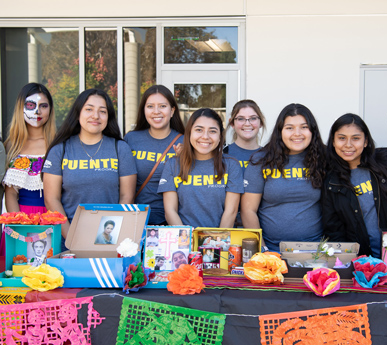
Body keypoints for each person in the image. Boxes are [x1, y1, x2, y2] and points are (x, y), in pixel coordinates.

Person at [321, 113, 387, 257]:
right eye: (342, 138)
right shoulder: (331, 180)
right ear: (333, 142)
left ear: (366, 141)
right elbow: (334, 231)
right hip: (360, 262)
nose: (348, 145)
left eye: (355, 138)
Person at [43, 89, 137, 240]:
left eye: (102, 111)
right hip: (67, 237)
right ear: (78, 113)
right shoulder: (60, 150)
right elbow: (51, 199)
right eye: (89, 109)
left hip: (109, 237)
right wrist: (71, 238)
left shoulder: (120, 148)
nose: (96, 116)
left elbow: (127, 196)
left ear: (108, 117)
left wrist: (110, 236)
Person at [241, 103, 327, 252]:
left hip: (316, 251)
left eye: (304, 127)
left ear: (312, 130)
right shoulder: (261, 161)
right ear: (280, 131)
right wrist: (263, 250)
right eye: (289, 128)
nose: (297, 133)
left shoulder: (324, 159)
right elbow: (248, 210)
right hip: (272, 250)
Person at [158, 108, 243, 228]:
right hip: (184, 242)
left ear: (220, 137)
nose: (205, 136)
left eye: (212, 131)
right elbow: (170, 211)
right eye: (199, 130)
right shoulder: (173, 165)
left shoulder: (231, 165)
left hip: (219, 242)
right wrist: (187, 240)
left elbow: (231, 212)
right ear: (189, 133)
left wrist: (214, 241)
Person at [124, 85, 184, 225]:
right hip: (135, 219)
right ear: (144, 110)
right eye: (150, 106)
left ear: (172, 111)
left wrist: (183, 161)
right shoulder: (131, 139)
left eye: (162, 106)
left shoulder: (185, 142)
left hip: (172, 221)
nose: (156, 112)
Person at [3, 83, 56, 214]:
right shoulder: (11, 145)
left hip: (52, 216)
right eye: (31, 106)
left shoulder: (58, 144)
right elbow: (10, 194)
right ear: (21, 108)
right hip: (20, 218)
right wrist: (18, 227)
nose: (38, 111)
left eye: (43, 106)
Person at [224, 99, 267, 170]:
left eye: (253, 118)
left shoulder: (269, 156)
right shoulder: (223, 154)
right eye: (241, 119)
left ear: (261, 122)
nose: (247, 124)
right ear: (232, 123)